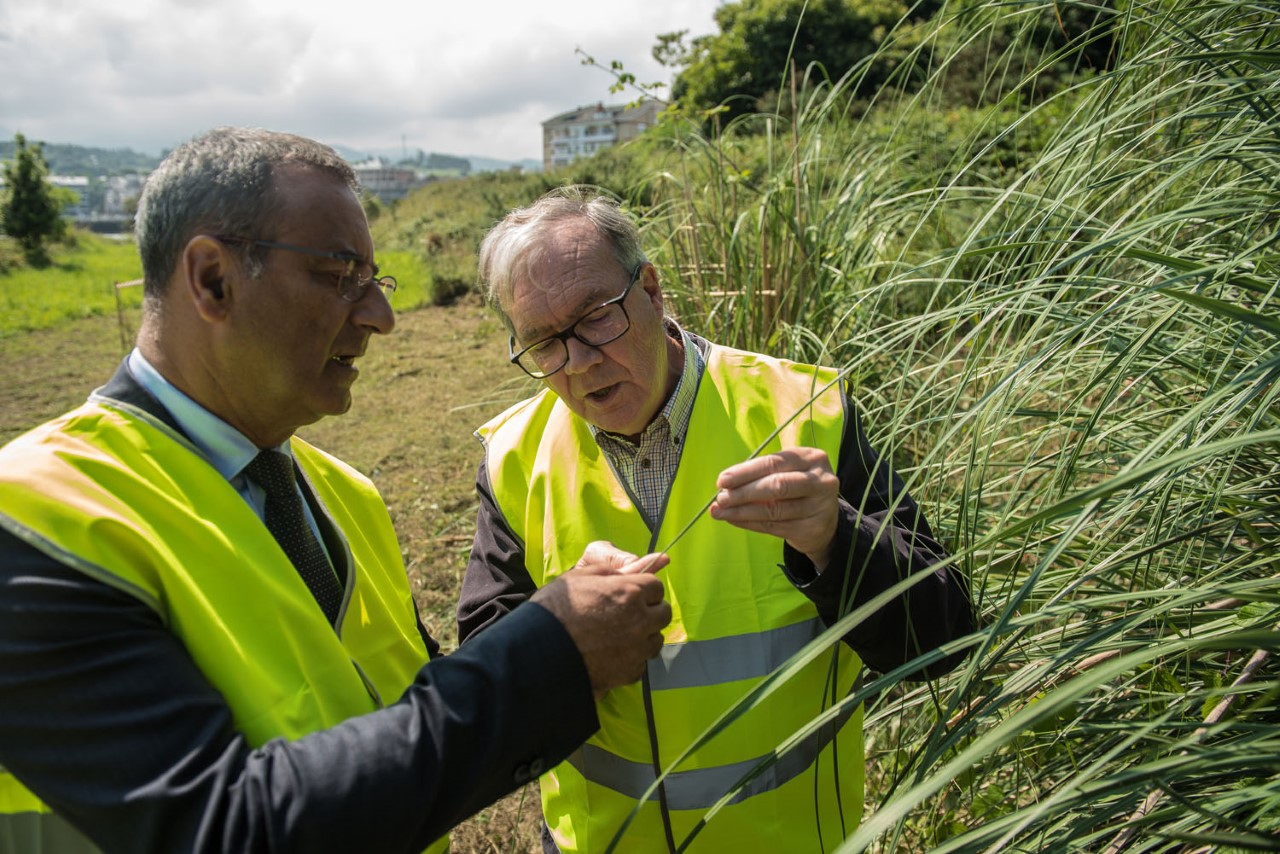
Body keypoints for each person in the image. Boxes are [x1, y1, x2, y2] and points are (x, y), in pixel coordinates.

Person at [0, 129, 672, 854]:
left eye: (375, 282)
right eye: (338, 276)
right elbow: (217, 828)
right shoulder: (36, 518)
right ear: (212, 280)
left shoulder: (344, 496)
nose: (380, 317)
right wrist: (553, 654)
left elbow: (399, 730)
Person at [457, 187, 973, 853]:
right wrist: (559, 638)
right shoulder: (512, 460)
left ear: (650, 289)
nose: (579, 361)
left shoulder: (805, 411)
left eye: (596, 319)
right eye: (545, 343)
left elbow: (944, 636)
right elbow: (482, 700)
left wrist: (834, 539)